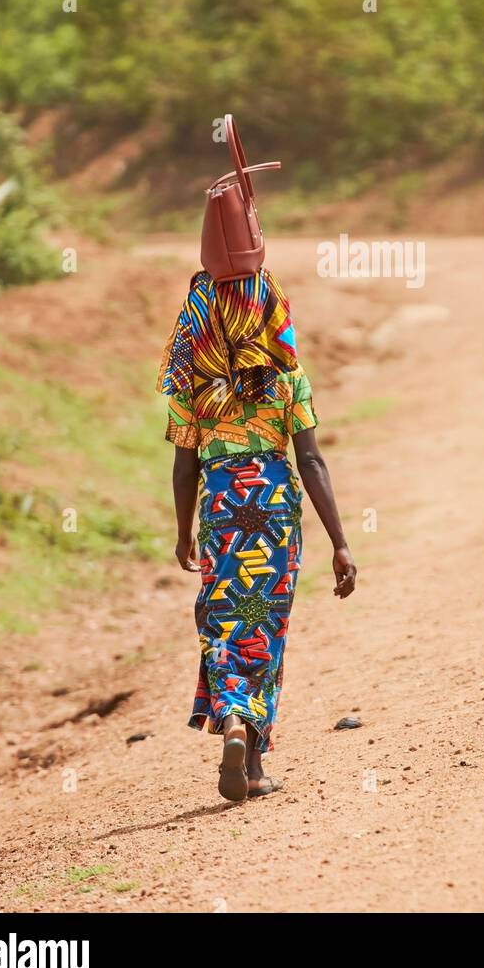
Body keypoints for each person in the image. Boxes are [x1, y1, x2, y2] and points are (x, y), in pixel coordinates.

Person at [157, 266, 356, 802]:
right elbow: (310, 460)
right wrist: (339, 542)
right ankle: (253, 760)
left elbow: (184, 468)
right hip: (274, 509)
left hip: (221, 508)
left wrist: (184, 532)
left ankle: (237, 730)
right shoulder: (286, 376)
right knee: (262, 624)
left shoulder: (193, 386)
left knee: (223, 618)